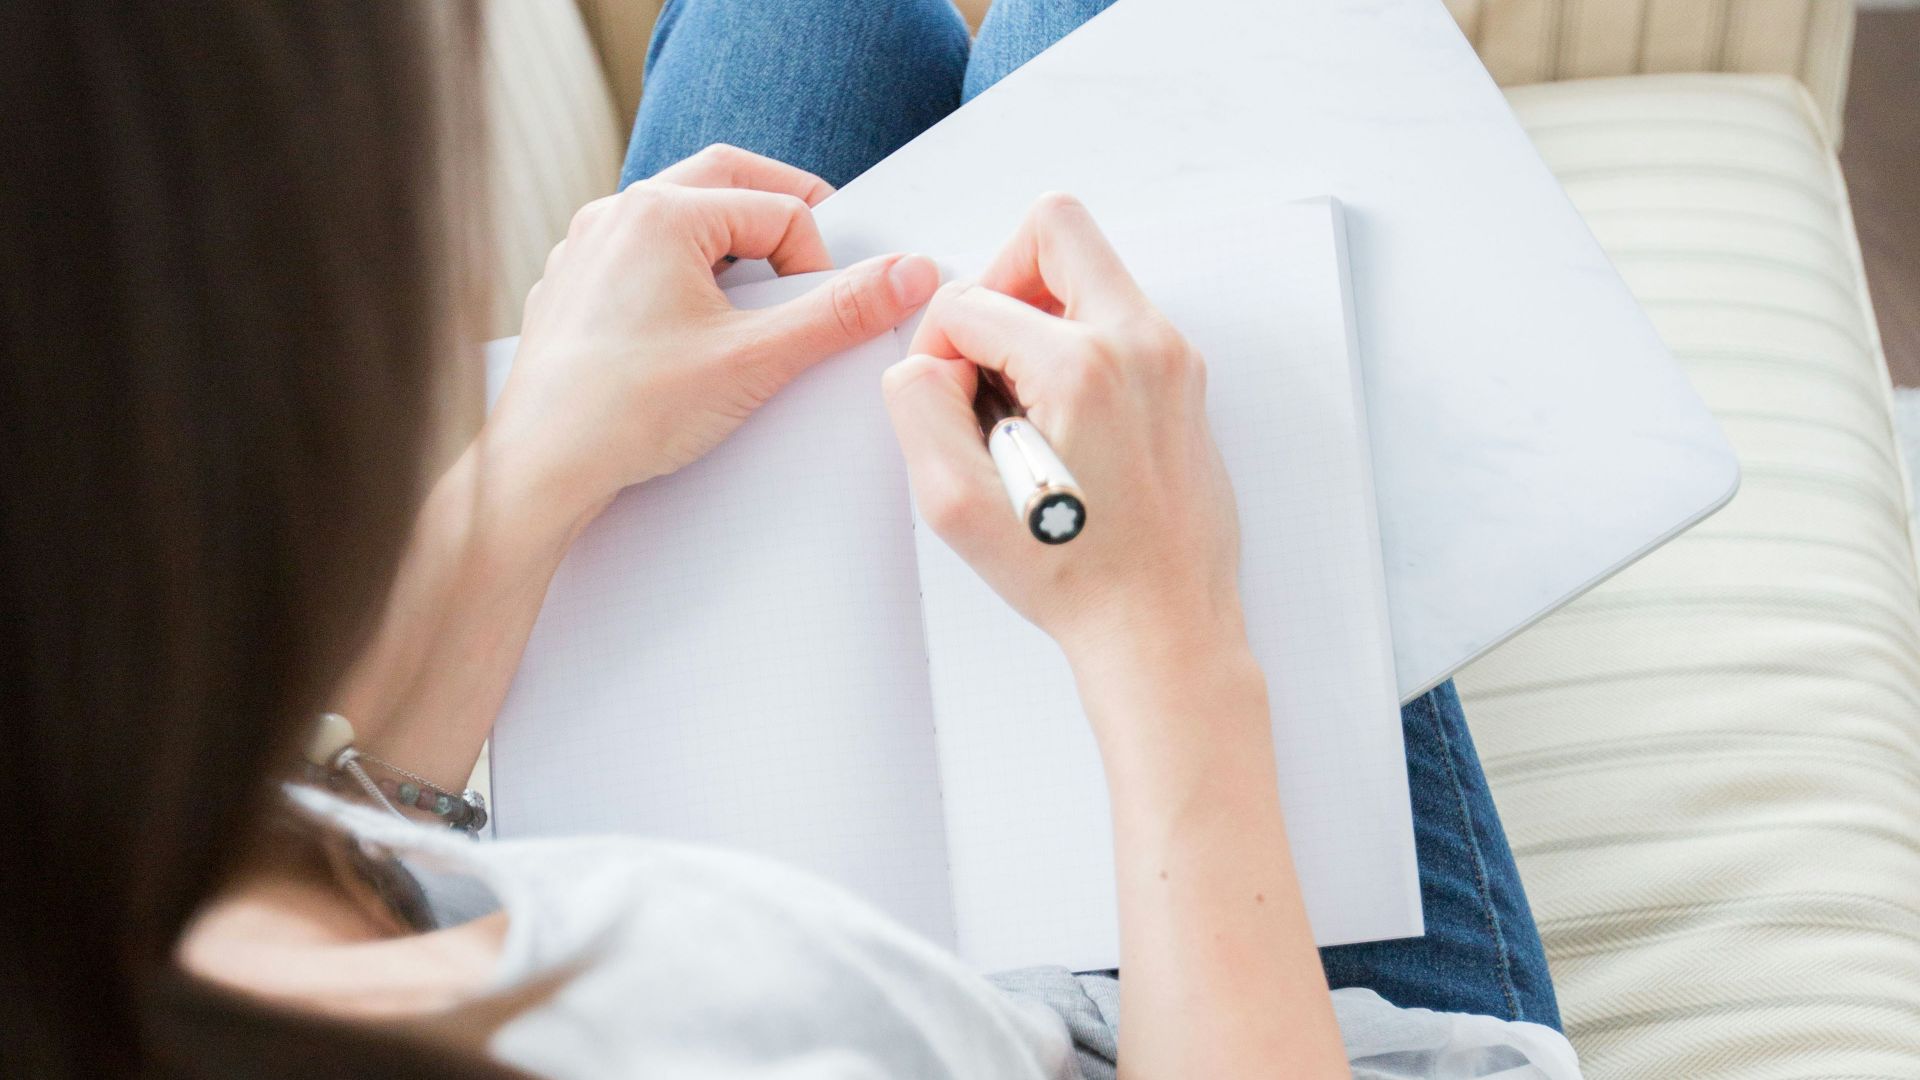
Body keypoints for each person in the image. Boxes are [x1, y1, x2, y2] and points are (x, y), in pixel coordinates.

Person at [0, 1, 1579, 1077]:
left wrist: (542, 454)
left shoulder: (97, 890)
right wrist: (1171, 643)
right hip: (1249, 1000)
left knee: (800, 16)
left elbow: (309, 840)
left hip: (735, 848)